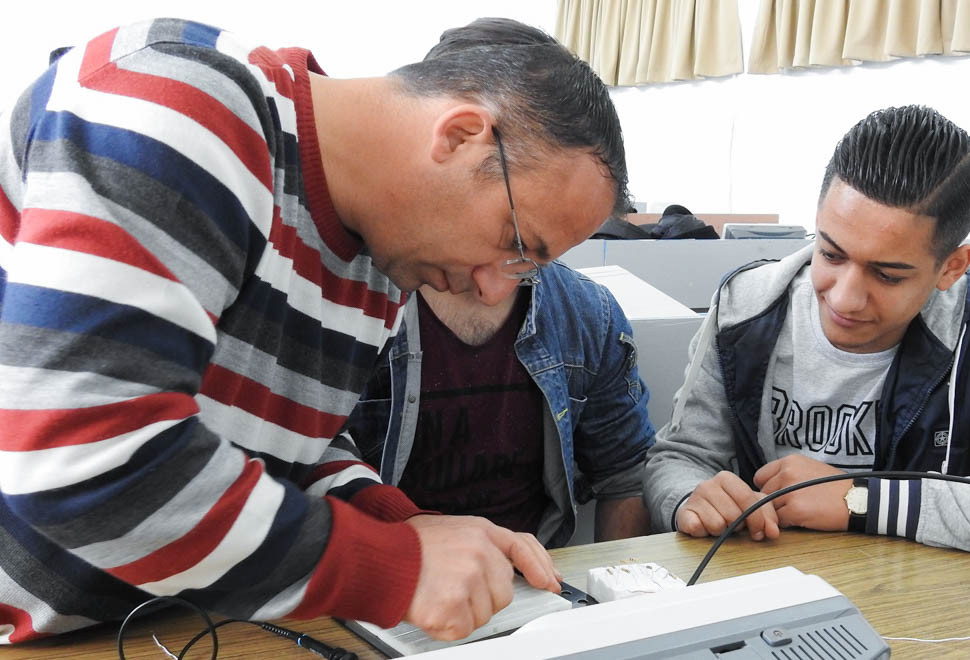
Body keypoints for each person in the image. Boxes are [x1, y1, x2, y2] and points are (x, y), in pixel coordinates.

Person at [0, 16, 626, 644]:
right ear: (461, 135)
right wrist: (393, 568)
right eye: (515, 243)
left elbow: (277, 445)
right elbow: (80, 460)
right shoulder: (181, 102)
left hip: (157, 620)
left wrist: (398, 524)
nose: (493, 289)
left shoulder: (385, 256)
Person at [643, 105, 970, 554]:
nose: (844, 298)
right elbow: (680, 458)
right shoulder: (744, 307)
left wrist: (863, 500)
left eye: (887, 275)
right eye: (830, 254)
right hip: (770, 584)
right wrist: (688, 497)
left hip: (936, 598)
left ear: (952, 267)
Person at [345, 261, 655, 549]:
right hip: (383, 568)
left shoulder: (586, 311)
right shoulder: (350, 300)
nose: (493, 291)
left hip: (533, 573)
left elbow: (625, 476)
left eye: (536, 250)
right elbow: (319, 468)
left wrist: (617, 586)